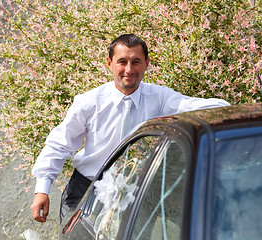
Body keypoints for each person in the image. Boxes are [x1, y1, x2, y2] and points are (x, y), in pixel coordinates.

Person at [30, 33, 230, 222]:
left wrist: (230, 109)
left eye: (136, 62)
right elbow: (60, 143)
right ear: (109, 63)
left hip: (137, 193)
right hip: (85, 190)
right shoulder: (89, 102)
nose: (129, 70)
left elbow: (192, 106)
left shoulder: (159, 97)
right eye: (122, 62)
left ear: (146, 64)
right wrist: (42, 189)